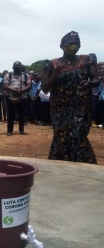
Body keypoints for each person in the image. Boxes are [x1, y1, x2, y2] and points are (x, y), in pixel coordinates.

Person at [41, 31, 100, 164]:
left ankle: (82, 165)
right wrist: (55, 75)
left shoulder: (87, 60)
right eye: (70, 43)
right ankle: (61, 164)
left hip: (82, 105)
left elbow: (96, 79)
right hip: (59, 107)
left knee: (78, 134)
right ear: (61, 46)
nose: (73, 46)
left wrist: (90, 83)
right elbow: (44, 88)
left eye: (76, 43)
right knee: (61, 135)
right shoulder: (51, 64)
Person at [3, 61, 31, 136]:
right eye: (16, 67)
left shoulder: (25, 75)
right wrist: (14, 90)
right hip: (11, 97)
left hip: (23, 97)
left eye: (19, 67)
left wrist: (22, 91)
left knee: (21, 114)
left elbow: (29, 84)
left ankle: (21, 130)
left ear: (21, 67)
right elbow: (5, 85)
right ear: (13, 67)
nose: (17, 68)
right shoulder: (8, 75)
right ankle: (9, 130)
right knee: (10, 114)